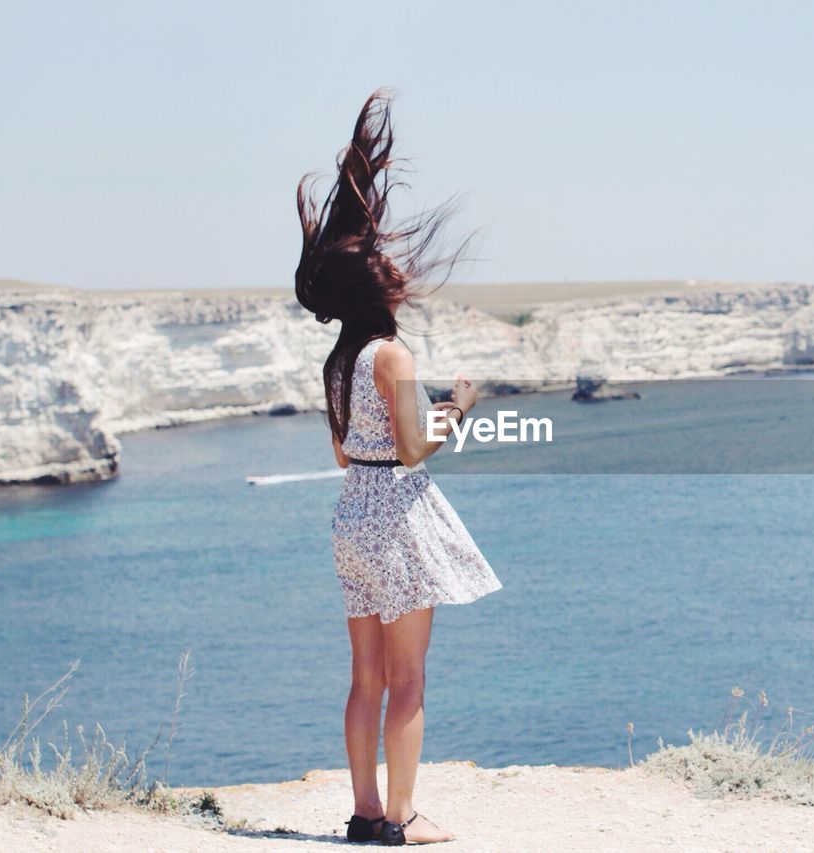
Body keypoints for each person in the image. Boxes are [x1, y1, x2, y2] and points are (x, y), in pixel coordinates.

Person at [294, 90, 503, 846]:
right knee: (409, 679)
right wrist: (460, 407)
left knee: (365, 678)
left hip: (352, 513)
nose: (399, 269)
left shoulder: (340, 359)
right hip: (397, 517)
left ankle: (363, 813)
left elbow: (347, 452)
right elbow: (414, 448)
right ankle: (402, 820)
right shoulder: (394, 353)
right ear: (376, 285)